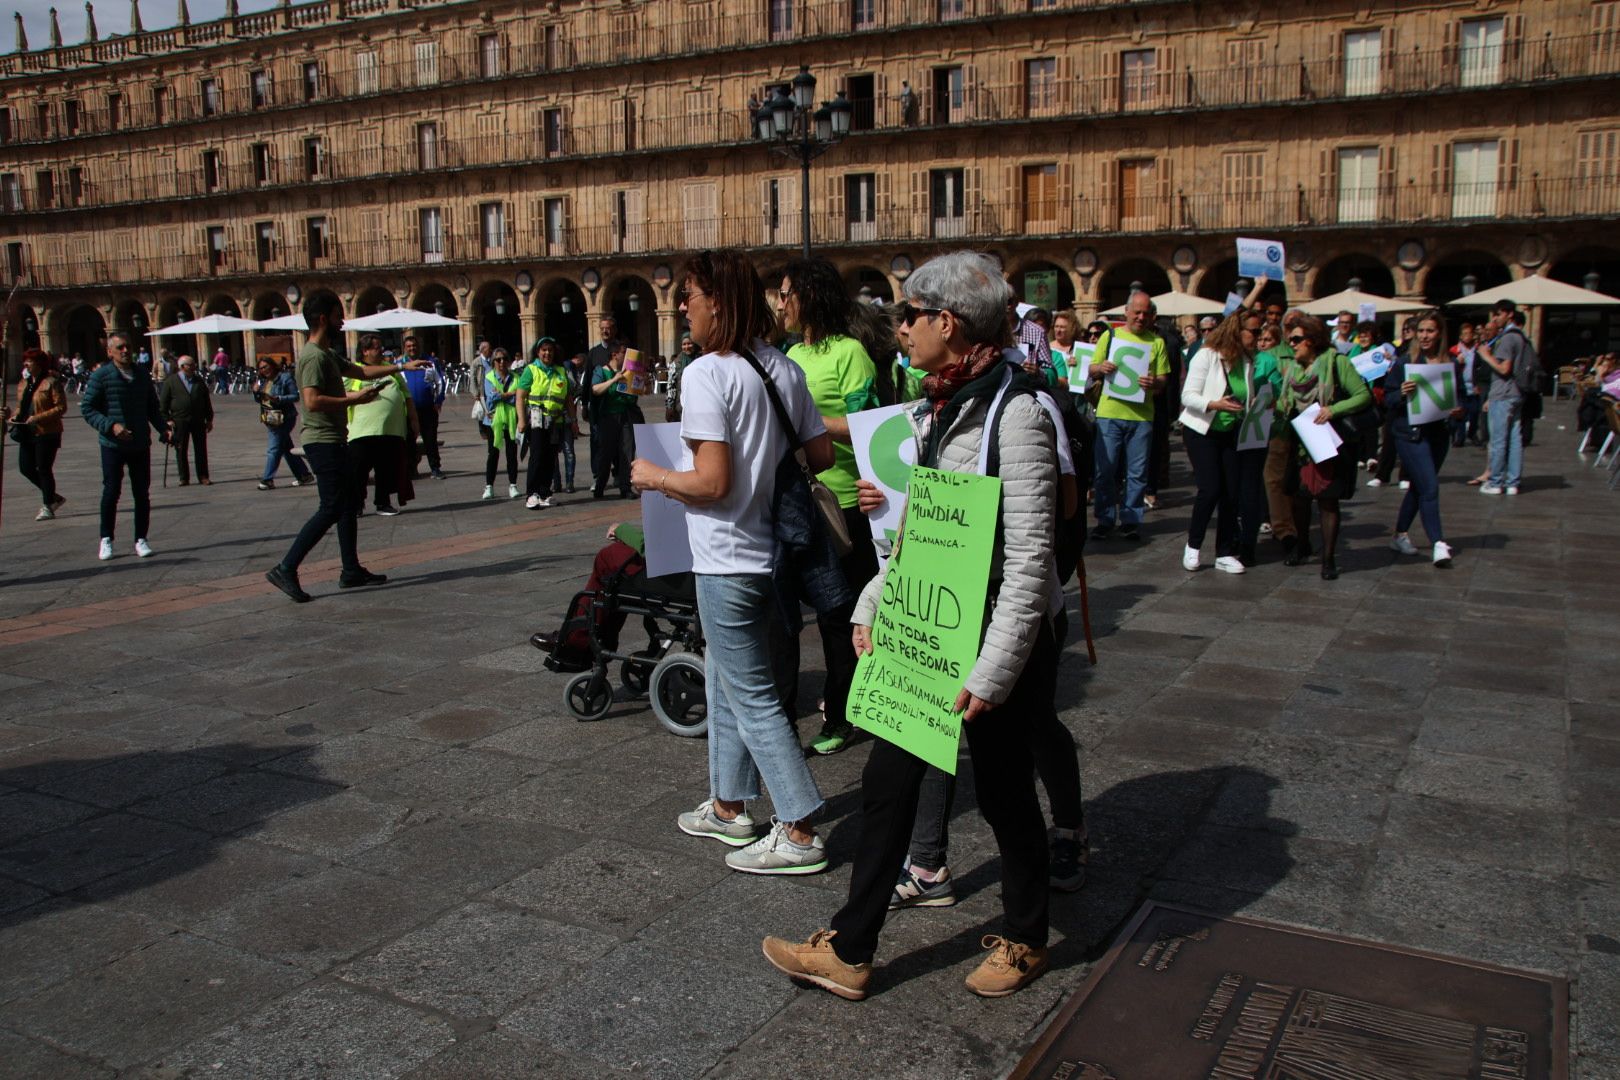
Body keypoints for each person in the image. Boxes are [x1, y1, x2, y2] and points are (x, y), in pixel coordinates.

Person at [762, 250, 1059, 1001]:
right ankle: (850, 949)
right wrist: (871, 604)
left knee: (1001, 791)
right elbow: (921, 533)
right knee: (888, 781)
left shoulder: (1016, 415)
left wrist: (992, 673)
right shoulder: (934, 409)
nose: (900, 328)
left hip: (998, 637)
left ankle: (1026, 935)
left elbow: (1029, 564)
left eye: (908, 315)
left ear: (946, 323)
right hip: (929, 627)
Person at [629, 249, 834, 876]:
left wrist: (657, 476)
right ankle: (728, 805)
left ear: (717, 299)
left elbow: (712, 483)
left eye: (688, 296)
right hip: (771, 555)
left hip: (726, 557)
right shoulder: (783, 369)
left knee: (753, 696)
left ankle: (797, 828)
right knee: (725, 679)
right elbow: (820, 455)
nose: (681, 308)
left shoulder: (705, 374)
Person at [776, 257, 882, 756]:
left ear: (810, 295)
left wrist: (808, 421)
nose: (781, 302)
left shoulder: (850, 353)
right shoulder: (789, 352)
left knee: (841, 618)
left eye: (787, 292)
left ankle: (843, 715)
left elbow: (869, 425)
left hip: (843, 503)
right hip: (795, 501)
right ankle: (786, 716)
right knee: (787, 617)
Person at [264, 294, 430, 603]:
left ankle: (350, 569)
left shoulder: (327, 354)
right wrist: (353, 400)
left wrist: (401, 367)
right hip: (321, 441)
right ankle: (286, 567)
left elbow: (360, 372)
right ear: (324, 318)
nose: (343, 322)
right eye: (339, 316)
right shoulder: (313, 356)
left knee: (349, 503)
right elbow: (311, 400)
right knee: (332, 507)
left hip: (335, 439)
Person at [1278, 315, 1371, 580]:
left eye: (1296, 339)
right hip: (1301, 442)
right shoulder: (1295, 370)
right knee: (1299, 497)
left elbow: (1362, 395)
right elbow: (1288, 402)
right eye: (1289, 339)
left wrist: (1333, 409)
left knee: (1328, 500)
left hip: (1328, 439)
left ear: (1312, 340)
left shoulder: (1336, 363)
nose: (1291, 344)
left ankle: (1328, 559)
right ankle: (1303, 545)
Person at [1178, 314, 1257, 574]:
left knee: (1231, 492)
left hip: (1231, 431)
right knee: (1210, 489)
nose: (1256, 338)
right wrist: (1215, 404)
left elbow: (1246, 395)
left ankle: (1225, 551)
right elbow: (1188, 396)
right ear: (1237, 331)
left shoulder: (1245, 361)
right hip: (1201, 430)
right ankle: (1193, 545)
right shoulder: (1206, 356)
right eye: (1252, 332)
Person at [1089, 291, 1169, 542]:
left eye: (1146, 313)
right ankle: (1104, 518)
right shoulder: (1109, 336)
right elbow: (1091, 368)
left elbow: (1164, 380)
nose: (1141, 317)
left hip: (1142, 417)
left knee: (1137, 473)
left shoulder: (1157, 343)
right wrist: (1101, 368)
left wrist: (1153, 382)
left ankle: (1131, 520)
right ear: (1127, 312)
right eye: (1137, 312)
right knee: (1105, 470)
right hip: (1109, 414)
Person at [81, 331, 168, 560]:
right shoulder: (101, 376)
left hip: (139, 443)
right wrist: (111, 426)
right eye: (120, 347)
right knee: (111, 491)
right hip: (112, 444)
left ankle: (141, 538)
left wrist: (164, 429)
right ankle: (106, 538)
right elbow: (88, 408)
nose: (125, 351)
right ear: (110, 351)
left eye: (128, 346)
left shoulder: (141, 375)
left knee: (142, 493)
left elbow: (152, 407)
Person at [1385, 312, 1461, 568]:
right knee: (1430, 487)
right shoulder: (1405, 363)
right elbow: (1387, 399)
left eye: (1430, 331)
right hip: (1410, 434)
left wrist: (1458, 411)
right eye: (1421, 331)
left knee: (1420, 487)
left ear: (1439, 333)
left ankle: (1399, 535)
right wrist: (1401, 393)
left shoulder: (1449, 364)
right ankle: (1438, 543)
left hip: (1438, 433)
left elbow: (1459, 400)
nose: (1425, 336)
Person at [347, 334, 418, 517]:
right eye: (377, 347)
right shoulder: (354, 371)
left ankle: (383, 502)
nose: (381, 350)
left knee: (385, 468)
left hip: (390, 429)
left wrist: (413, 419)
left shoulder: (390, 369)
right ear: (365, 351)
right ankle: (355, 504)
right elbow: (342, 395)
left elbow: (406, 395)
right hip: (362, 430)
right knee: (359, 470)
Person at [2, 348, 68, 520]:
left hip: (47, 432)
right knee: (26, 468)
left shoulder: (51, 382)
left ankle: (47, 505)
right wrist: (12, 415)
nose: (26, 364)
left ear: (39, 364)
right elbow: (21, 407)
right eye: (25, 360)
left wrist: (38, 418)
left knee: (43, 468)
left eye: (29, 361)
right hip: (26, 432)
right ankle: (53, 496)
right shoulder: (23, 383)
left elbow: (61, 407)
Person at [1475, 300, 1533, 496]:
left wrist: (1485, 355)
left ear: (1509, 314)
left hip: (1503, 393)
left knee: (1498, 440)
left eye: (1498, 315)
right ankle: (1513, 482)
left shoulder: (1508, 338)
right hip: (1517, 393)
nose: (1495, 319)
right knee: (1515, 440)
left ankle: (1495, 481)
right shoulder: (1521, 337)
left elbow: (1504, 368)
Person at [516, 337, 570, 508]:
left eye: (550, 350)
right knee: (537, 456)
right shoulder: (531, 370)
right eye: (544, 350)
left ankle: (545, 492)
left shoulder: (560, 371)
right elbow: (520, 396)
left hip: (555, 421)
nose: (547, 353)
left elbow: (568, 398)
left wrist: (573, 421)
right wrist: (521, 420)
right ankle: (531, 493)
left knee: (551, 457)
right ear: (538, 352)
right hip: (537, 420)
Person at [254, 357, 313, 490]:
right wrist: (256, 391)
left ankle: (268, 479)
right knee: (286, 448)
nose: (264, 370)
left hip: (284, 417)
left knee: (273, 449)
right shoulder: (263, 381)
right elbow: (260, 400)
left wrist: (278, 398)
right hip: (270, 417)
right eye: (261, 368)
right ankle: (303, 475)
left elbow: (295, 396)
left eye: (266, 366)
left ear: (272, 365)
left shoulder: (284, 378)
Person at [591, 341, 637, 499]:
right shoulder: (602, 371)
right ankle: (600, 486)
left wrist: (641, 385)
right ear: (614, 354)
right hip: (608, 417)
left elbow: (635, 394)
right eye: (624, 352)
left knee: (627, 451)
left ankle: (625, 487)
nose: (626, 355)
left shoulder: (628, 371)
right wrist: (614, 380)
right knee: (606, 452)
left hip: (625, 415)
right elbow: (595, 389)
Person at [158, 355, 214, 486]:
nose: (194, 367)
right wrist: (167, 419)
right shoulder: (171, 381)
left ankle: (203, 476)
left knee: (201, 448)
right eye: (191, 365)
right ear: (182, 367)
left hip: (198, 419)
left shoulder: (198, 381)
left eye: (193, 364)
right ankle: (184, 477)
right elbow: (163, 404)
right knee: (181, 448)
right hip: (179, 420)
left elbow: (206, 401)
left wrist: (209, 419)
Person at [396, 333, 446, 480]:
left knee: (430, 439)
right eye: (409, 346)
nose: (412, 348)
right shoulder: (400, 365)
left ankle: (435, 468)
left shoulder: (430, 362)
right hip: (408, 410)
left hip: (427, 408)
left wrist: (438, 400)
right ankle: (411, 469)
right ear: (404, 348)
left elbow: (439, 382)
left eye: (414, 346)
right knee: (409, 440)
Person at [479, 348, 521, 500]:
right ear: (493, 362)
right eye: (498, 360)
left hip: (511, 420)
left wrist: (502, 395)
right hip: (493, 421)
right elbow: (491, 398)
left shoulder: (516, 377)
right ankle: (489, 486)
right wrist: (510, 394)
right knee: (493, 454)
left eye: (504, 359)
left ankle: (513, 485)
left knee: (512, 454)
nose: (502, 362)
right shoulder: (489, 377)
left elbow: (519, 398)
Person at [1450, 320, 1484, 448]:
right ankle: (1460, 437)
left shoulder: (1477, 350)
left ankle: (1472, 433)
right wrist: (1456, 361)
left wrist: (1479, 383)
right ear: (1460, 336)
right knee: (1461, 412)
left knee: (1474, 412)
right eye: (1465, 333)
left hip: (1473, 387)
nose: (1467, 336)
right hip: (1460, 386)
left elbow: (1482, 368)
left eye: (1469, 333)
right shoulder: (1454, 350)